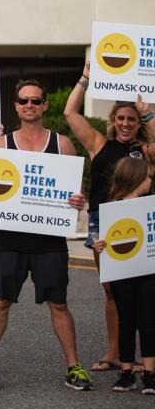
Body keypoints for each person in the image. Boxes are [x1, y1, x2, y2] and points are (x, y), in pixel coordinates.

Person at [0, 79, 92, 391]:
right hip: (10, 238)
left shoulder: (62, 144)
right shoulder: (1, 145)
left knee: (59, 304)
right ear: (16, 106)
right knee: (0, 301)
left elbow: (74, 193)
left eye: (36, 101)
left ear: (45, 105)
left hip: (49, 240)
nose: (29, 106)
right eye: (24, 101)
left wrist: (78, 201)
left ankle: (74, 367)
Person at [64, 59, 155, 372]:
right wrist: (86, 77)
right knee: (112, 289)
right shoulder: (100, 145)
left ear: (138, 123)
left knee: (144, 290)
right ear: (113, 120)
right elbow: (70, 114)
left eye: (132, 119)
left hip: (138, 223)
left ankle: (147, 358)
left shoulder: (145, 150)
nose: (126, 123)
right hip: (103, 224)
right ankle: (115, 353)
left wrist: (149, 113)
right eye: (121, 118)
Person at [92, 158, 155, 394]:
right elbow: (104, 240)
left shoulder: (151, 205)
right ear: (137, 179)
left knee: (149, 322)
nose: (150, 180)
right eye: (148, 176)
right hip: (122, 273)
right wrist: (99, 245)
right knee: (126, 322)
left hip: (149, 273)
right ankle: (126, 372)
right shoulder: (112, 208)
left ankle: (150, 374)